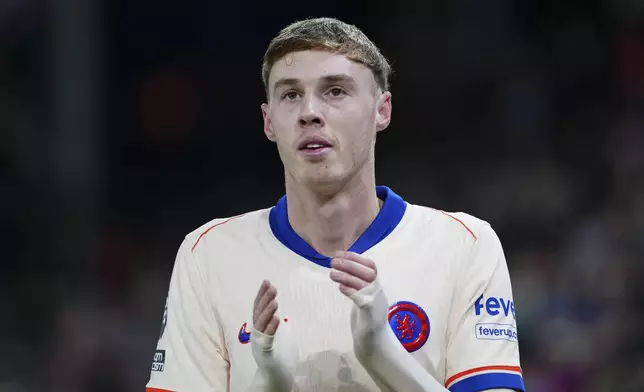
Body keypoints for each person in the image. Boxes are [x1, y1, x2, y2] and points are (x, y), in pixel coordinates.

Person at [145, 17, 525, 392]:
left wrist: (385, 357)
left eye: (335, 91)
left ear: (382, 110)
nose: (309, 112)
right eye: (291, 94)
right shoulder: (208, 254)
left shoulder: (464, 245)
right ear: (268, 121)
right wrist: (268, 385)